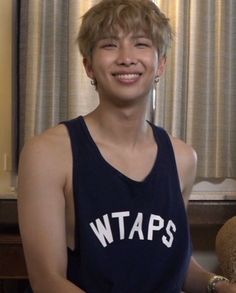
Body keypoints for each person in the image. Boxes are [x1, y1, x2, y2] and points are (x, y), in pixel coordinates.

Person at [17, 0, 236, 292]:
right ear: (89, 65)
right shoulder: (48, 154)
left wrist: (217, 284)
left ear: (160, 64)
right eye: (110, 45)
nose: (126, 57)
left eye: (141, 44)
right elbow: (47, 281)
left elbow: (174, 263)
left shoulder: (183, 157)